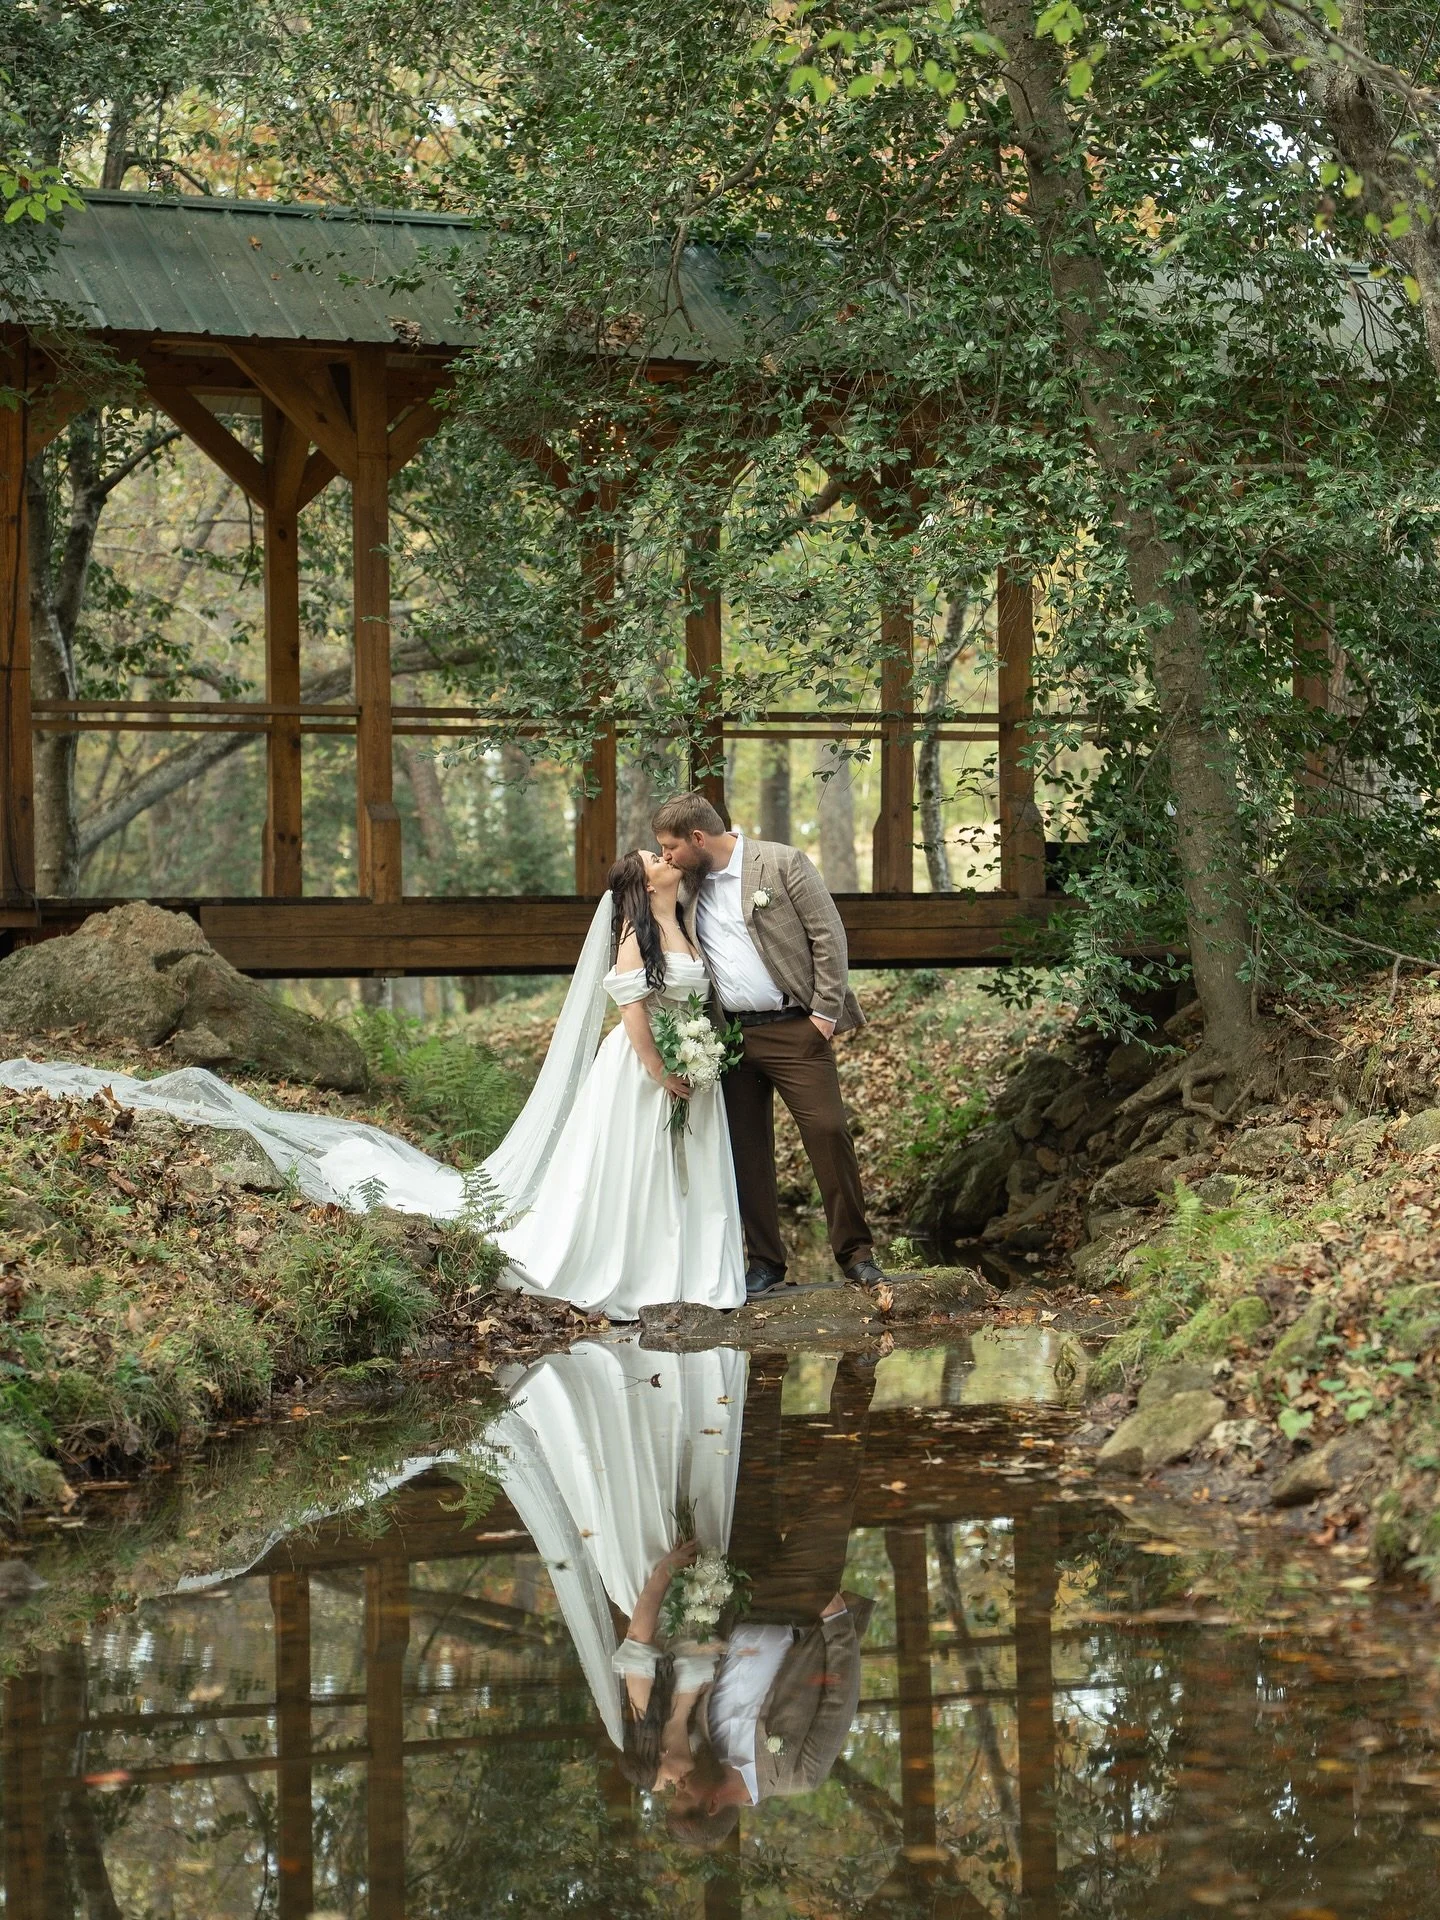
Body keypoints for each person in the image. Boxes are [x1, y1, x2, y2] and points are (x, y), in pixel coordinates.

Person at [653, 791, 885, 1298]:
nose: (666, 857)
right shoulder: (684, 886)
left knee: (828, 1132)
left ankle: (857, 1256)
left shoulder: (781, 863)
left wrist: (823, 1015)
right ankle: (764, 1263)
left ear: (697, 838)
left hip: (795, 1028)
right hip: (728, 1038)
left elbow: (829, 936)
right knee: (746, 1150)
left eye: (670, 847)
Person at [667, 1351, 877, 1843]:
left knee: (752, 1478)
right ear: (713, 1803)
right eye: (683, 1792)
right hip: (806, 1610)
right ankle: (860, 1368)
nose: (678, 1782)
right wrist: (839, 1622)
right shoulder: (799, 1775)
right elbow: (838, 1701)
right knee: (833, 1490)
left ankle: (765, 1365)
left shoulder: (701, 1745)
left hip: (740, 1595)